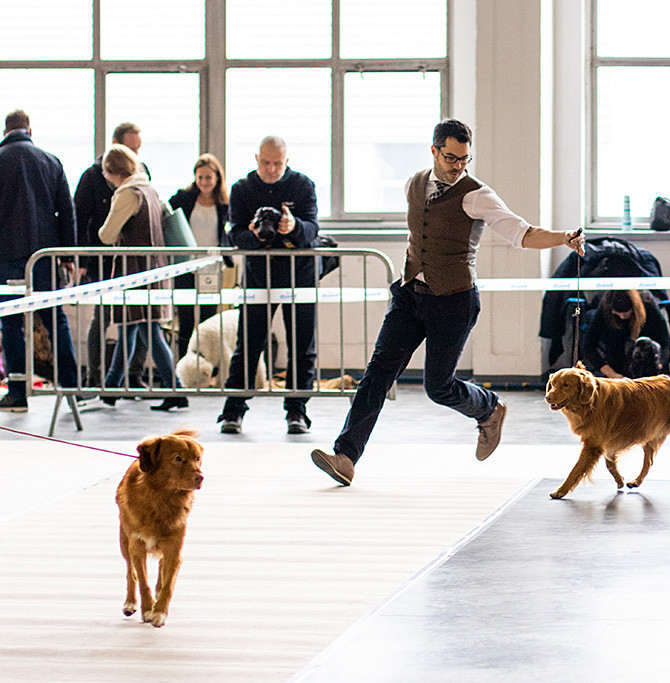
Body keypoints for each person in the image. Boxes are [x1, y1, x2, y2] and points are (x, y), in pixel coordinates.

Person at [310, 118, 587, 487]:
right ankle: (345, 456)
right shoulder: (414, 184)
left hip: (453, 301)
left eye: (465, 159)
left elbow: (521, 233)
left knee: (438, 387)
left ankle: (488, 408)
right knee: (377, 373)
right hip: (410, 295)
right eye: (451, 158)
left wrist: (564, 237)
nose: (458, 166)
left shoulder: (477, 194)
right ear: (434, 151)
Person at [217, 135, 319, 435]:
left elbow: (313, 228)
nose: (272, 169)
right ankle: (233, 411)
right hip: (258, 275)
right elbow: (234, 235)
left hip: (299, 274)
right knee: (248, 344)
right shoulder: (242, 189)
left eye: (278, 163)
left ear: (288, 160)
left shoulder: (303, 185)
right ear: (256, 159)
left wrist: (294, 227)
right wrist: (256, 236)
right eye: (266, 162)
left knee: (302, 347)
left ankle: (297, 412)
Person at [96, 144, 187, 411]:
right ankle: (111, 388)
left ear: (112, 171)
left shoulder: (127, 194)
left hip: (135, 273)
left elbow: (107, 235)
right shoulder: (150, 189)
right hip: (154, 269)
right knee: (131, 328)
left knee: (148, 330)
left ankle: (176, 389)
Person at [0, 110, 79, 412]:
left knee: (10, 323)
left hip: (6, 257)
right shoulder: (51, 161)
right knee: (54, 319)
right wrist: (69, 255)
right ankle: (70, 388)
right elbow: (66, 211)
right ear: (29, 130)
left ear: (6, 130)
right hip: (44, 256)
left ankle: (17, 393)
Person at [75, 122, 151, 388]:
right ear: (116, 145)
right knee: (103, 318)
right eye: (131, 148)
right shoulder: (92, 176)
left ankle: (133, 375)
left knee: (140, 319)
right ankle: (95, 377)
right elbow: (81, 218)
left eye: (138, 149)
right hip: (103, 261)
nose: (135, 155)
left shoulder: (142, 174)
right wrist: (81, 262)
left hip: (135, 262)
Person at [168, 153, 231, 359]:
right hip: (186, 266)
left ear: (217, 178)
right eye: (200, 177)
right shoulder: (184, 198)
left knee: (207, 320)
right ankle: (183, 367)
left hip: (211, 267)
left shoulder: (224, 204)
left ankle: (205, 367)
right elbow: (167, 215)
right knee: (185, 320)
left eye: (208, 177)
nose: (204, 182)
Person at [582, 289, 670, 378]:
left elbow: (665, 340)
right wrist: (611, 373)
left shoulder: (647, 303)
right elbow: (589, 345)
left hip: (644, 338)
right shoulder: (605, 307)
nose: (622, 317)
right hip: (614, 343)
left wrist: (659, 364)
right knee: (614, 338)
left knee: (645, 345)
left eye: (625, 314)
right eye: (618, 314)